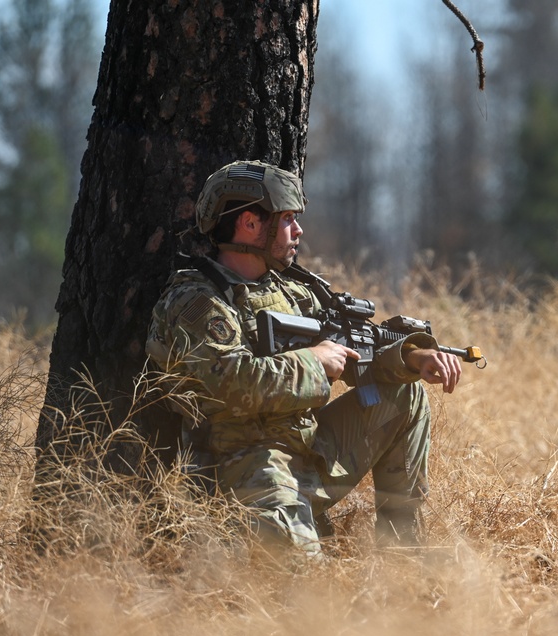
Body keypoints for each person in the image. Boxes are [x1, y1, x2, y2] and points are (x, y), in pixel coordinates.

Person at [146, 159, 462, 557]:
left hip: (309, 447)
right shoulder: (196, 302)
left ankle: (403, 555)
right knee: (301, 581)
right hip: (245, 462)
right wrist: (313, 362)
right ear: (250, 224)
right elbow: (229, 382)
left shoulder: (293, 293)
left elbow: (357, 343)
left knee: (406, 398)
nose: (298, 231)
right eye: (289, 220)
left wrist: (412, 356)